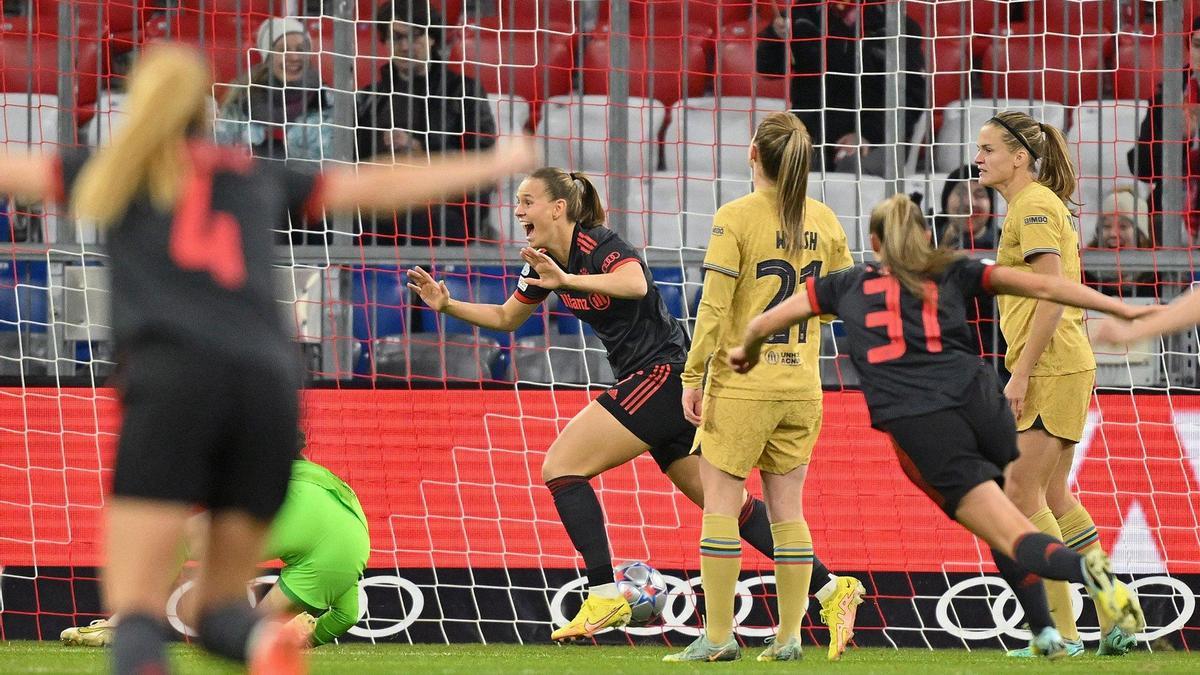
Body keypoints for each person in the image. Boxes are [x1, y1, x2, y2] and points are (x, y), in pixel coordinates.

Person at [0, 43, 531, 675]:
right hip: (270, 379)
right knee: (223, 610)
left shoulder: (114, 169)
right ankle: (260, 643)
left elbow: (16, 172)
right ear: (210, 112)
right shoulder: (253, 171)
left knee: (138, 613)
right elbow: (375, 187)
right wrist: (496, 161)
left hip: (172, 373)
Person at [406, 166, 863, 644]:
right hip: (654, 381)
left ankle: (604, 593)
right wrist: (448, 306)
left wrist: (568, 280)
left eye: (527, 200)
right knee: (729, 504)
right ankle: (832, 589)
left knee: (561, 466)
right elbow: (506, 316)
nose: (518, 210)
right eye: (518, 202)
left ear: (558, 208)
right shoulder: (542, 260)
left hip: (663, 374)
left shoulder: (600, 245)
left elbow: (635, 285)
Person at [730, 193, 1147, 661]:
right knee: (1003, 518)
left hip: (924, 421)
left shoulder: (845, 284)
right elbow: (1047, 287)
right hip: (982, 401)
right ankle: (1045, 629)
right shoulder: (951, 268)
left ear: (874, 242)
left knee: (1008, 530)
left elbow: (769, 318)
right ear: (922, 237)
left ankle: (1087, 570)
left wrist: (745, 348)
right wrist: (1120, 309)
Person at [666, 112, 859, 663]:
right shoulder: (824, 219)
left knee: (722, 504)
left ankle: (720, 637)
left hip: (743, 382)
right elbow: (842, 299)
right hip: (803, 384)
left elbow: (713, 306)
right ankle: (791, 637)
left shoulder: (736, 217)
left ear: (753, 152)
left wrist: (692, 373)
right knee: (788, 511)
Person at [977, 111, 1136, 657]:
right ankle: (1115, 614)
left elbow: (1053, 292)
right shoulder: (1032, 205)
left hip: (1049, 364)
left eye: (988, 149)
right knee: (1050, 492)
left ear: (1018, 157)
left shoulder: (1035, 206)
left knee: (1020, 492)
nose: (979, 159)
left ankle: (1065, 634)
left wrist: (1019, 372)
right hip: (1061, 361)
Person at [60, 431, 370, 649]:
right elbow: (348, 616)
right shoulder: (313, 474)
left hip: (314, 541)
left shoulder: (267, 474)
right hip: (354, 545)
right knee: (256, 634)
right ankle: (288, 636)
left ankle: (126, 622)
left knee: (179, 540)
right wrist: (311, 639)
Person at [356, 1, 498, 245]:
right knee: (349, 221)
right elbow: (355, 160)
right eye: (395, 37)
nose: (404, 46)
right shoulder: (371, 97)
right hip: (383, 202)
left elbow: (483, 159)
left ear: (432, 38)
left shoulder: (462, 91)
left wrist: (421, 150)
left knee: (427, 221)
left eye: (414, 36)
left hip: (444, 204)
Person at [756, 0, 927, 173]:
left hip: (877, 136)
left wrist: (868, 135)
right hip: (810, 132)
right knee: (780, 164)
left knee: (852, 167)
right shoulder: (802, 13)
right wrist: (774, 37)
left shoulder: (896, 24)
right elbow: (768, 69)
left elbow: (913, 97)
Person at [214, 17, 333, 164]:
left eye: (301, 50)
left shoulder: (326, 101)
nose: (295, 57)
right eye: (283, 50)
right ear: (268, 57)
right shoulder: (241, 100)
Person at [1128, 18, 1200, 244]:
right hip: (1169, 213)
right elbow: (1141, 167)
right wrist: (1179, 139)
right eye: (1198, 46)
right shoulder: (1169, 93)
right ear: (1189, 48)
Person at [1084, 187, 1157, 298]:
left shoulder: (1159, 279)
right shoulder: (1082, 276)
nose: (1113, 233)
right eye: (1106, 226)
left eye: (1123, 226)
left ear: (1141, 235)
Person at [934, 165, 998, 250]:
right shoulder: (926, 243)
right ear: (946, 202)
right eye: (961, 194)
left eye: (979, 194)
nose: (970, 203)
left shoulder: (1010, 246)